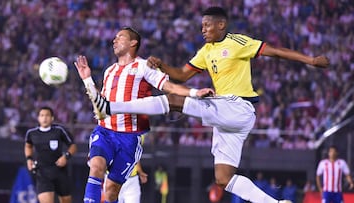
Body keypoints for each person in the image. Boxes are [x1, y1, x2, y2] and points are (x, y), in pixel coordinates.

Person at [86, 7, 329, 203]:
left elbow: (276, 51)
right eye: (202, 25)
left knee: (172, 101)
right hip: (226, 120)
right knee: (224, 178)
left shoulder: (238, 42)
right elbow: (181, 75)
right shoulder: (206, 51)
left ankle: (110, 107)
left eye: (207, 25)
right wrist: (161, 65)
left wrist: (311, 60)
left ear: (221, 25)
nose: (203, 29)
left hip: (237, 106)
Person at [75, 27, 213, 203]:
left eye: (120, 37)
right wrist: (87, 79)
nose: (114, 40)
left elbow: (169, 87)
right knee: (96, 167)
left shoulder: (143, 66)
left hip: (129, 138)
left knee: (110, 192)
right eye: (115, 37)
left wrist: (194, 92)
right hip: (105, 132)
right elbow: (100, 103)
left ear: (133, 43)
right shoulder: (109, 71)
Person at [24, 106, 77, 203]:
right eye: (42, 115)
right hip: (42, 172)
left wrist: (66, 156)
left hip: (59, 171)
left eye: (47, 115)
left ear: (52, 118)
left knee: (66, 200)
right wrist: (29, 159)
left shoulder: (59, 130)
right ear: (38, 118)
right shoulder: (32, 133)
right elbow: (28, 146)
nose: (44, 118)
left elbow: (73, 146)